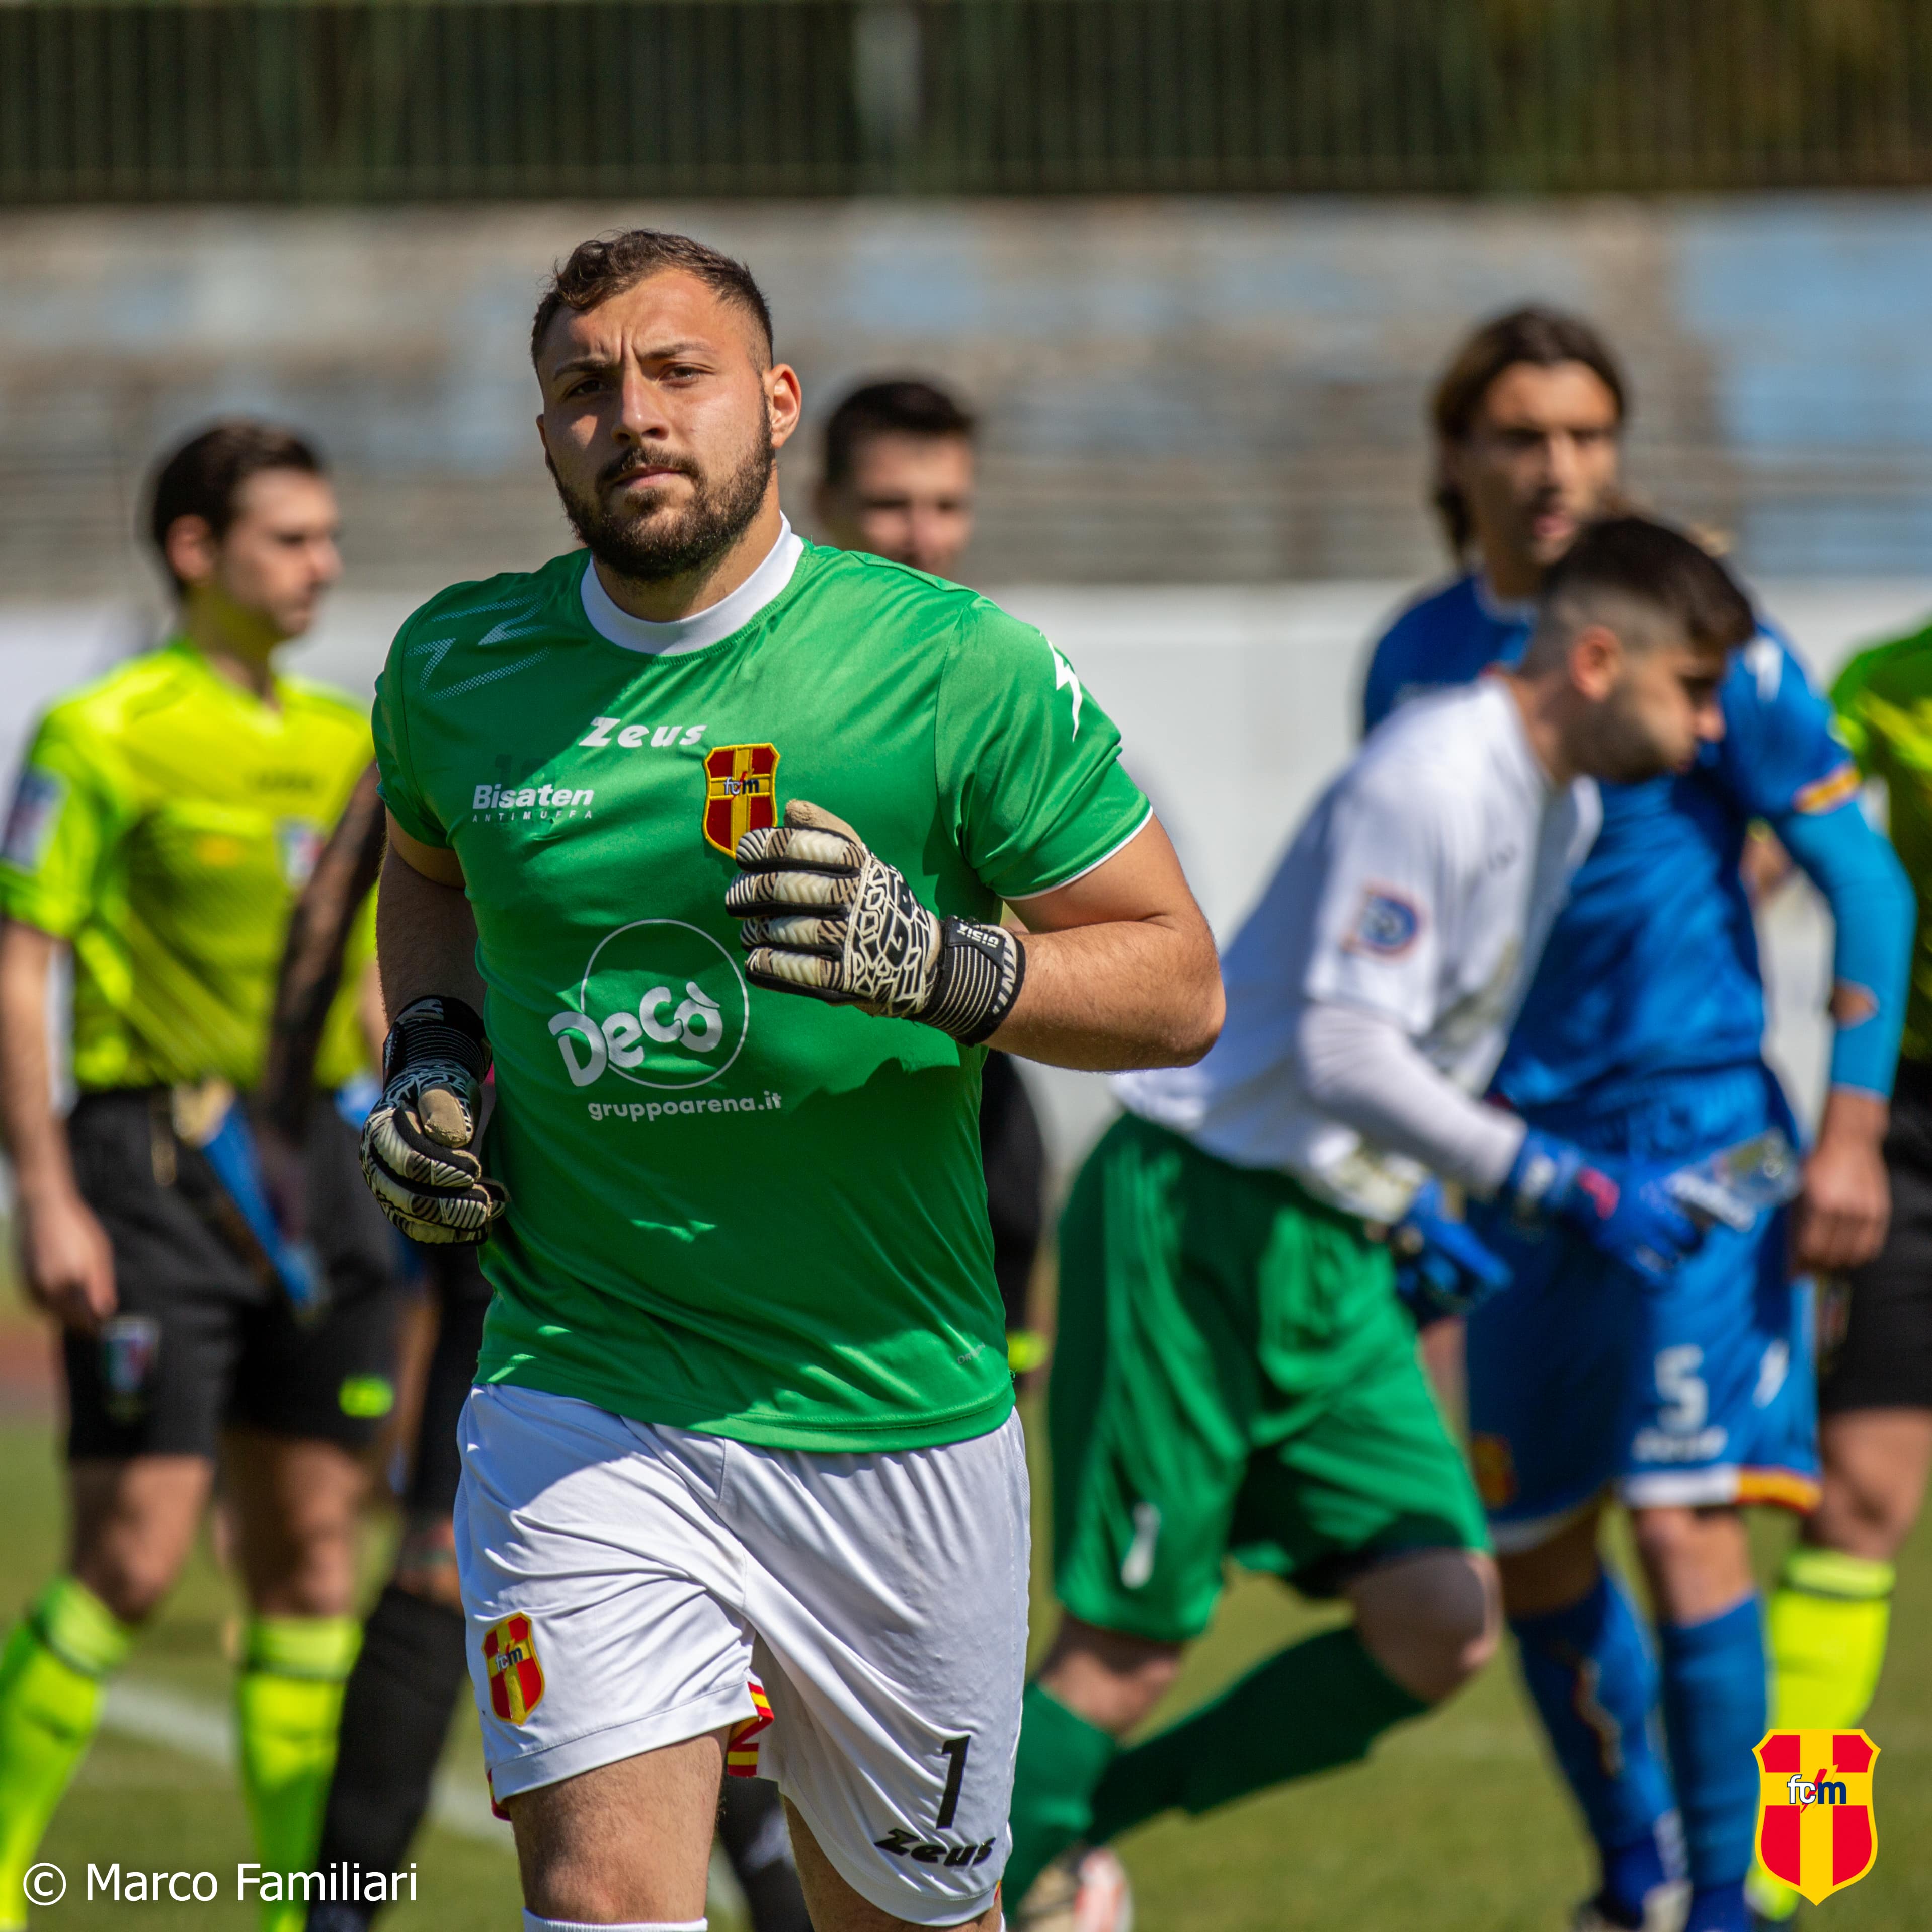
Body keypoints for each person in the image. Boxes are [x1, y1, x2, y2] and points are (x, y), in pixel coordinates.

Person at [354, 227, 1223, 1932]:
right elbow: (426, 866)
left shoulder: (953, 665)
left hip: (894, 1417)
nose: (631, 414)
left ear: (774, 403)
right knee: (604, 1903)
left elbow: (1180, 982)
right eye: (584, 387)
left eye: (676, 373)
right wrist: (436, 1051)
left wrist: (951, 968)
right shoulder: (457, 669)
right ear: (546, 437)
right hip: (582, 1391)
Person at [1005, 515, 1750, 1925]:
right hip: (1197, 1214)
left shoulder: (1568, 807)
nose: (1713, 729)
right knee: (1128, 1645)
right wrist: (1562, 1182)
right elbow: (1347, 1051)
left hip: (1330, 1240)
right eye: (1696, 688)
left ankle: (1061, 1831)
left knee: (1441, 1617)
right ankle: (963, 1878)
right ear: (1600, 660)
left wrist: (1404, 1205)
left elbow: (1400, 1056)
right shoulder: (1438, 773)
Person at [1361, 309, 1913, 1932]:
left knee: (1693, 1526)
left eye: (1590, 435)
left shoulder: (1708, 633)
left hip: (1700, 1147)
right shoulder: (1414, 655)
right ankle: (1642, 1877)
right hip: (1519, 1165)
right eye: (1524, 435)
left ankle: (1748, 1898)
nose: (1561, 469)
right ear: (1458, 454)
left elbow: (1864, 882)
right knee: (1535, 1549)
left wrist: (1853, 1133)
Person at [0, 423, 406, 1932]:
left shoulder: (351, 745)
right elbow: (21, 966)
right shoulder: (99, 732)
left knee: (313, 1561)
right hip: (149, 1177)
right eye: (291, 538)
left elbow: (377, 987)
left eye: (329, 536)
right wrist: (45, 1190)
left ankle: (310, 1914)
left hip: (323, 1178)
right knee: (132, 1557)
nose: (324, 565)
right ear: (195, 549)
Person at [287, 779, 813, 1932]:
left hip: (678, 1209)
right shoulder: (454, 713)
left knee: (695, 1593)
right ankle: (337, 1907)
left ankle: (780, 1894)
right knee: (461, 1564)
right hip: (509, 1193)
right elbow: (351, 916)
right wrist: (397, 1086)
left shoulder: (702, 725)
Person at [1740, 623, 1932, 1920]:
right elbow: (1770, 839)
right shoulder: (1886, 683)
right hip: (1911, 1129)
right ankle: (1778, 1870)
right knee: (1857, 1496)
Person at [814, 376, 1050, 1370]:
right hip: (796, 1103)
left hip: (969, 1084)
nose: (924, 538)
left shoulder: (997, 676)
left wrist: (926, 956)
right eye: (891, 506)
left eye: (948, 506)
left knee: (999, 1362)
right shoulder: (769, 684)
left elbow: (1088, 927)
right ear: (820, 505)